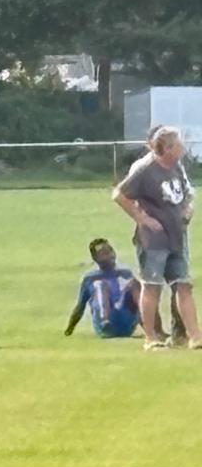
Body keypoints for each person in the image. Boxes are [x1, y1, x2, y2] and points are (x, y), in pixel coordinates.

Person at [113, 125, 202, 349]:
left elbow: (185, 193)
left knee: (183, 285)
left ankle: (195, 337)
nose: (183, 147)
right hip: (153, 240)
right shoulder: (145, 169)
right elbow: (120, 195)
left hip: (177, 236)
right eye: (179, 144)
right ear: (168, 148)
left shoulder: (176, 166)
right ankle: (151, 338)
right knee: (152, 286)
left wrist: (186, 209)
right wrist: (143, 219)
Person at [65, 239, 140, 340]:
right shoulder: (90, 278)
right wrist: (70, 328)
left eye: (110, 250)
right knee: (101, 285)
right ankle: (105, 321)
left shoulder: (125, 273)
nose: (109, 255)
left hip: (125, 321)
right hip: (104, 326)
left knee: (134, 284)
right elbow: (80, 306)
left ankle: (149, 325)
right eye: (103, 253)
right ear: (95, 258)